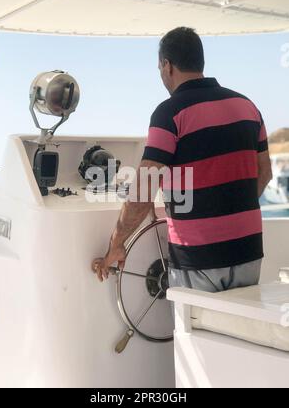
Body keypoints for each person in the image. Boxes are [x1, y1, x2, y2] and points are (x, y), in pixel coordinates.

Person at [92, 27, 272, 292]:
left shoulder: (170, 113)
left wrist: (116, 244)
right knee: (235, 331)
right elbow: (264, 173)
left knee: (196, 332)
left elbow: (143, 190)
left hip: (199, 257)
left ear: (167, 66)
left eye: (159, 68)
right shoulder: (247, 106)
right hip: (248, 250)